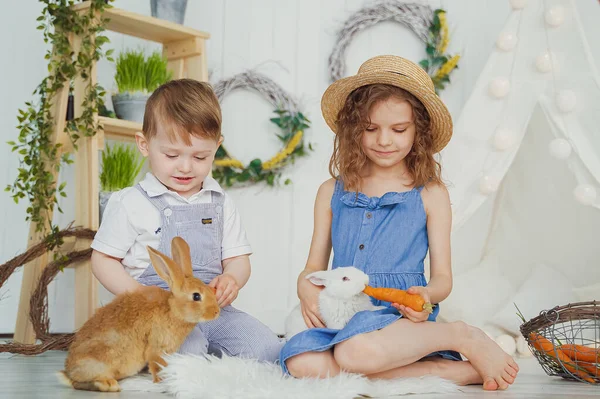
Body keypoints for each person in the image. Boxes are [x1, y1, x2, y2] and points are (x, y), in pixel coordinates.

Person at [280, 55, 519, 390]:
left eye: (398, 129)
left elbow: (443, 279)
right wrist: (305, 288)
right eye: (370, 128)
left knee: (353, 354)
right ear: (353, 129)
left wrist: (427, 295)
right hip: (344, 312)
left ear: (418, 131)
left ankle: (458, 334)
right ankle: (445, 371)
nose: (384, 140)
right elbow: (313, 267)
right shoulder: (330, 192)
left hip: (400, 315)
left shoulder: (430, 194)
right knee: (300, 362)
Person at [90, 78, 284, 362]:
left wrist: (233, 278)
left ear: (216, 147)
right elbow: (102, 260)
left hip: (210, 308)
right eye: (171, 154)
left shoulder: (220, 202)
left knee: (266, 349)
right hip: (158, 312)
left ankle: (216, 360)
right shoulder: (131, 202)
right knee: (187, 353)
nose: (185, 166)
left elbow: (238, 259)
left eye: (200, 156)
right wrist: (140, 294)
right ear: (144, 145)